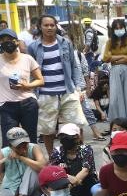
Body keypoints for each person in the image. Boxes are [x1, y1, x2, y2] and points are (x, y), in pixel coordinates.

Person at [26, 15, 88, 154]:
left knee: (76, 125)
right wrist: (32, 92)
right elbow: (30, 72)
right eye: (46, 25)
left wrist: (79, 89)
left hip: (67, 91)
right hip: (45, 94)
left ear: (56, 26)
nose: (49, 28)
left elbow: (74, 66)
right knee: (47, 130)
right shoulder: (33, 47)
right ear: (40, 27)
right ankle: (52, 157)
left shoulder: (65, 43)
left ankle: (80, 156)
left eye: (52, 25)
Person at [0, 29, 43, 146]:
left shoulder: (27, 59)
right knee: (8, 142)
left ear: (17, 42)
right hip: (6, 106)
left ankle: (31, 163)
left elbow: (41, 80)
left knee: (30, 140)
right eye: (2, 40)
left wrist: (27, 85)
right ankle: (10, 164)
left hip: (28, 104)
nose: (6, 42)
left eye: (9, 40)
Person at [100, 18, 127, 132]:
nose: (119, 30)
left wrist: (115, 59)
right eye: (116, 28)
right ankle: (117, 124)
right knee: (115, 99)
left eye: (121, 28)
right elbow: (105, 58)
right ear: (113, 30)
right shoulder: (109, 42)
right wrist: (123, 57)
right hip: (114, 73)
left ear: (125, 28)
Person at [0, 128, 46, 196]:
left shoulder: (34, 148)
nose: (23, 149)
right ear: (10, 146)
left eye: (25, 145)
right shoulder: (4, 152)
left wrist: (20, 157)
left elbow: (42, 167)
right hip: (11, 188)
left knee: (32, 168)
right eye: (18, 147)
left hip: (31, 190)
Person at [90, 131, 127, 196]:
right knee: (99, 195)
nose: (120, 154)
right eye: (117, 151)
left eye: (125, 151)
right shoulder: (105, 171)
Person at [48, 123, 97, 196]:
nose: (64, 139)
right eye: (62, 136)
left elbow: (85, 170)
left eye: (67, 137)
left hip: (85, 185)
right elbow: (52, 171)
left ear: (77, 137)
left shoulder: (86, 149)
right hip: (65, 184)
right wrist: (65, 174)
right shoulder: (57, 151)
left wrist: (74, 181)